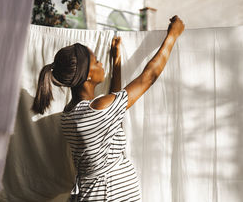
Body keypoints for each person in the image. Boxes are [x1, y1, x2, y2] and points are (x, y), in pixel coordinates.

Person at [32, 16, 185, 201]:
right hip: (109, 194)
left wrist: (117, 61)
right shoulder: (98, 109)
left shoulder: (69, 114)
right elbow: (149, 77)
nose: (100, 63)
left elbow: (110, 111)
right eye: (96, 61)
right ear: (87, 76)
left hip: (95, 193)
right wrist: (172, 36)